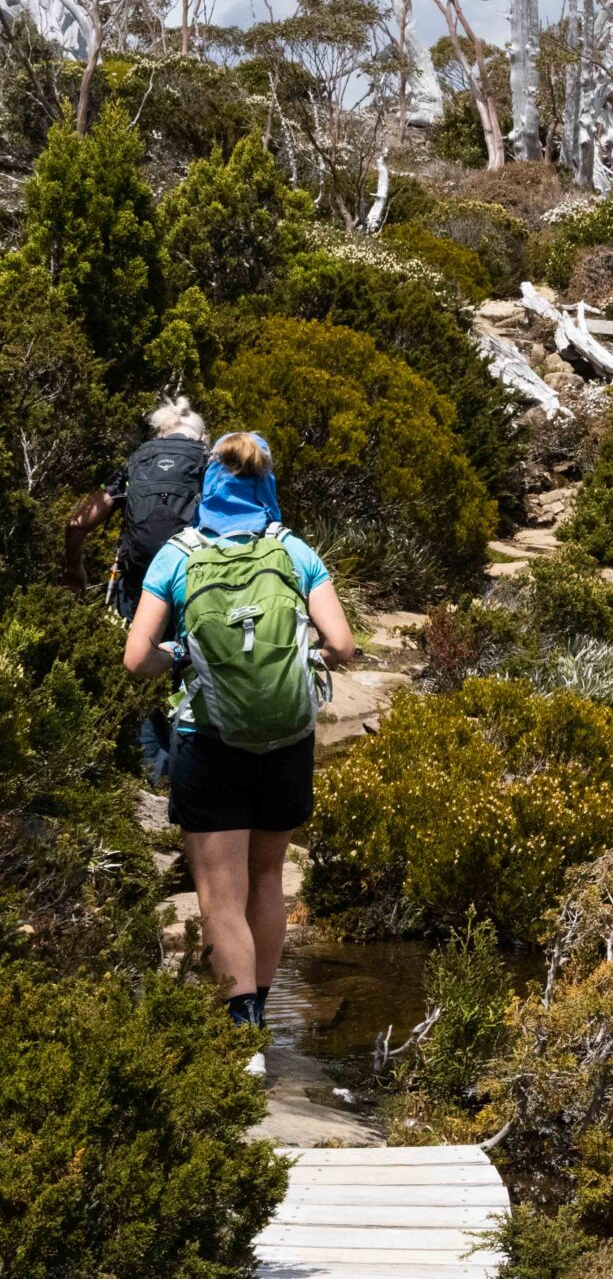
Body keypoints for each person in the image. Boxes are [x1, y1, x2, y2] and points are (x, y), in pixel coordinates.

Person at [122, 431, 355, 1079]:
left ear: (207, 488)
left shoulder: (178, 553)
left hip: (208, 737)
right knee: (265, 880)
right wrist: (295, 653)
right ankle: (262, 1008)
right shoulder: (293, 550)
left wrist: (185, 653)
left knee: (218, 895)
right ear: (267, 485)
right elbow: (343, 643)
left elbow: (136, 656)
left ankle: (242, 1036)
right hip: (285, 738)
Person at [64, 396, 212, 619]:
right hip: (191, 588)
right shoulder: (208, 462)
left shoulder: (138, 461)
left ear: (160, 432)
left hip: (136, 590)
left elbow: (77, 524)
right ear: (203, 438)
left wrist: (74, 569)